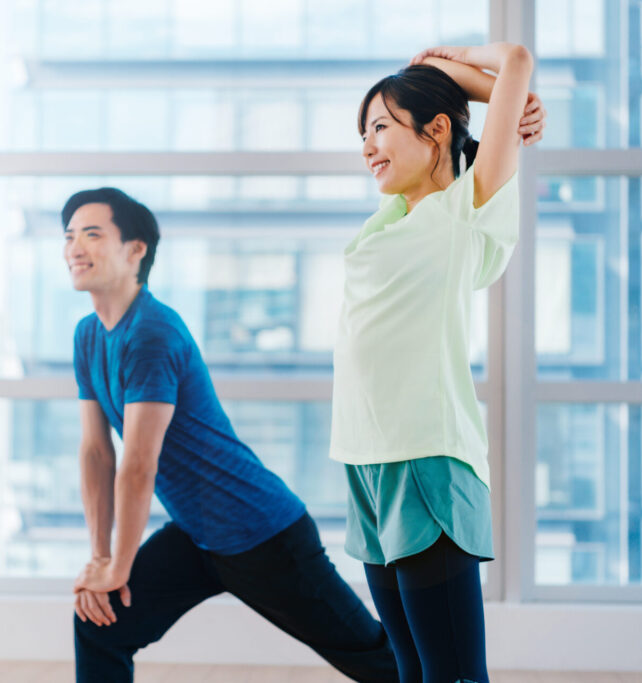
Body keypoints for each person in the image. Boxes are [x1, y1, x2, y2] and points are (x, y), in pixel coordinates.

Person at [63, 187, 399, 682]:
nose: (74, 247)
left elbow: (138, 463)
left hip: (263, 534)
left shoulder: (152, 333)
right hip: (197, 535)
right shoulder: (88, 336)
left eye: (92, 234)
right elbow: (97, 453)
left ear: (136, 250)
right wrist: (101, 560)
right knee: (102, 621)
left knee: (373, 657)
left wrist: (117, 567)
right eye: (69, 236)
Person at [329, 43, 544, 683]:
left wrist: (467, 75)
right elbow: (460, 94)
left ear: (436, 131)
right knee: (410, 671)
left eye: (381, 128)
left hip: (427, 461)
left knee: (451, 676)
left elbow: (516, 62)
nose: (367, 146)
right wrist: (432, 85)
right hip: (365, 463)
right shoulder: (388, 219)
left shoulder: (463, 211)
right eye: (363, 132)